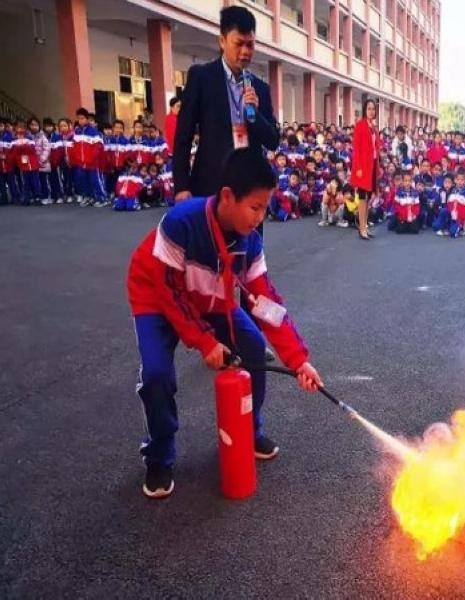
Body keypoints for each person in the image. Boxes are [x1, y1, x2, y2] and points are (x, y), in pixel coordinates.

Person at [127, 148, 323, 499]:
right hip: (155, 297)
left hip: (210, 297)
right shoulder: (180, 222)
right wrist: (205, 341)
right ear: (228, 196)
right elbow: (169, 292)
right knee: (157, 375)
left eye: (266, 207)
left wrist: (298, 360)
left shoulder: (250, 242)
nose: (261, 216)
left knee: (252, 348)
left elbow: (267, 304)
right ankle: (159, 456)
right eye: (255, 207)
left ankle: (248, 430)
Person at [173, 6, 279, 214]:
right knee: (209, 244)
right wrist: (181, 187)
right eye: (239, 44)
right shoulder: (201, 78)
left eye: (250, 45)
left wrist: (255, 115)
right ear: (222, 41)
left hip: (249, 188)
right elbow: (183, 136)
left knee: (246, 247)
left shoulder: (260, 88)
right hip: (210, 185)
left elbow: (273, 140)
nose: (245, 51)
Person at [350, 97, 379, 240]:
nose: (371, 111)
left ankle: (365, 226)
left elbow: (375, 148)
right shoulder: (360, 125)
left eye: (373, 109)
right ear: (364, 110)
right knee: (362, 197)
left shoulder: (373, 127)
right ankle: (361, 229)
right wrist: (359, 168)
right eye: (369, 108)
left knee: (368, 197)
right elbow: (357, 149)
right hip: (363, 166)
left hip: (373, 164)